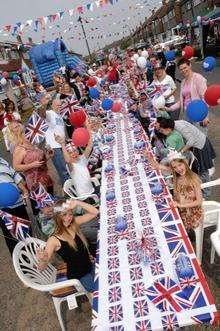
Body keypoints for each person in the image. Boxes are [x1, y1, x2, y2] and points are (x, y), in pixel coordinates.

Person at [36, 199, 99, 293]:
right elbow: (41, 268)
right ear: (58, 217)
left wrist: (77, 202)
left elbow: (95, 212)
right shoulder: (53, 240)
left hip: (90, 266)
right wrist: (43, 260)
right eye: (64, 215)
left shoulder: (73, 224)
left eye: (70, 214)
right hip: (79, 277)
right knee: (102, 291)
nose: (69, 217)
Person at [145, 150, 203, 233]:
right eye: (175, 167)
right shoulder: (176, 174)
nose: (178, 169)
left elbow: (199, 201)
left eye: (180, 165)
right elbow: (157, 166)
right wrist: (149, 158)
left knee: (171, 225)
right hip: (179, 206)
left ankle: (188, 234)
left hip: (190, 212)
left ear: (185, 162)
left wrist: (180, 205)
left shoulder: (194, 179)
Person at [8, 121, 53, 193]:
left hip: (45, 177)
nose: (19, 127)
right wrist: (31, 165)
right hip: (35, 182)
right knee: (45, 203)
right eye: (16, 127)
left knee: (52, 200)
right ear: (13, 132)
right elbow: (16, 167)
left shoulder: (31, 142)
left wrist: (48, 156)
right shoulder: (19, 148)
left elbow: (39, 161)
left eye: (19, 125)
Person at [167, 58, 209, 133]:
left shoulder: (198, 78)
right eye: (181, 69)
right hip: (187, 114)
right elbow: (182, 100)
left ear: (190, 65)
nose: (183, 70)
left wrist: (204, 116)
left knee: (201, 137)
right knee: (193, 136)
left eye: (185, 67)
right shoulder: (183, 81)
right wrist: (170, 108)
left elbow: (205, 97)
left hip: (198, 113)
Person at [0, 157, 29, 254]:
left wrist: (24, 190)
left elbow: (15, 176)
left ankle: (35, 258)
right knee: (12, 237)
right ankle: (22, 264)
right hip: (3, 209)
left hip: (18, 202)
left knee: (26, 231)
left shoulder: (2, 160)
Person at [55, 132, 95, 196]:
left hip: (91, 190)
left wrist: (89, 129)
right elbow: (67, 160)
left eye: (75, 151)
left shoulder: (82, 158)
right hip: (84, 195)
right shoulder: (70, 165)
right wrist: (62, 144)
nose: (74, 154)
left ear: (78, 151)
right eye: (70, 153)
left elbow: (90, 146)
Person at [45, 99, 69, 185]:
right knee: (63, 170)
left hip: (61, 145)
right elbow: (41, 113)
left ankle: (70, 186)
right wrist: (43, 105)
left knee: (66, 167)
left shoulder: (59, 116)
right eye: (57, 105)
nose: (59, 107)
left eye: (60, 105)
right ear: (52, 105)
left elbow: (59, 130)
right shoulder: (50, 113)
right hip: (54, 146)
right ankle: (68, 190)